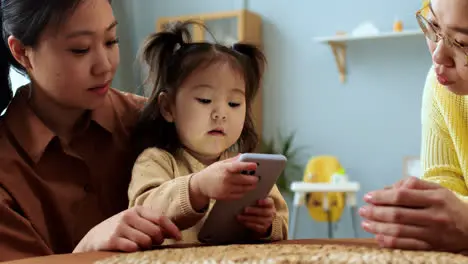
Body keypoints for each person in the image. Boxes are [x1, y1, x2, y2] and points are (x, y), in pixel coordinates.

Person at [0, 0, 182, 261]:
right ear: (22, 52)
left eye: (111, 41)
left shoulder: (153, 120)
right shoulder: (6, 169)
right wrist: (86, 251)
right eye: (80, 49)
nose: (105, 66)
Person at [127, 21, 289, 244]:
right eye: (204, 100)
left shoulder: (246, 167)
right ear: (167, 107)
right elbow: (142, 214)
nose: (221, 114)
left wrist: (266, 224)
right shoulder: (156, 161)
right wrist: (198, 187)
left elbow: (282, 226)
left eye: (234, 103)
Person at [360, 0, 468, 253]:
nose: (438, 56)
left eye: (463, 43)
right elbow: (445, 181)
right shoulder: (441, 86)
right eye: (433, 25)